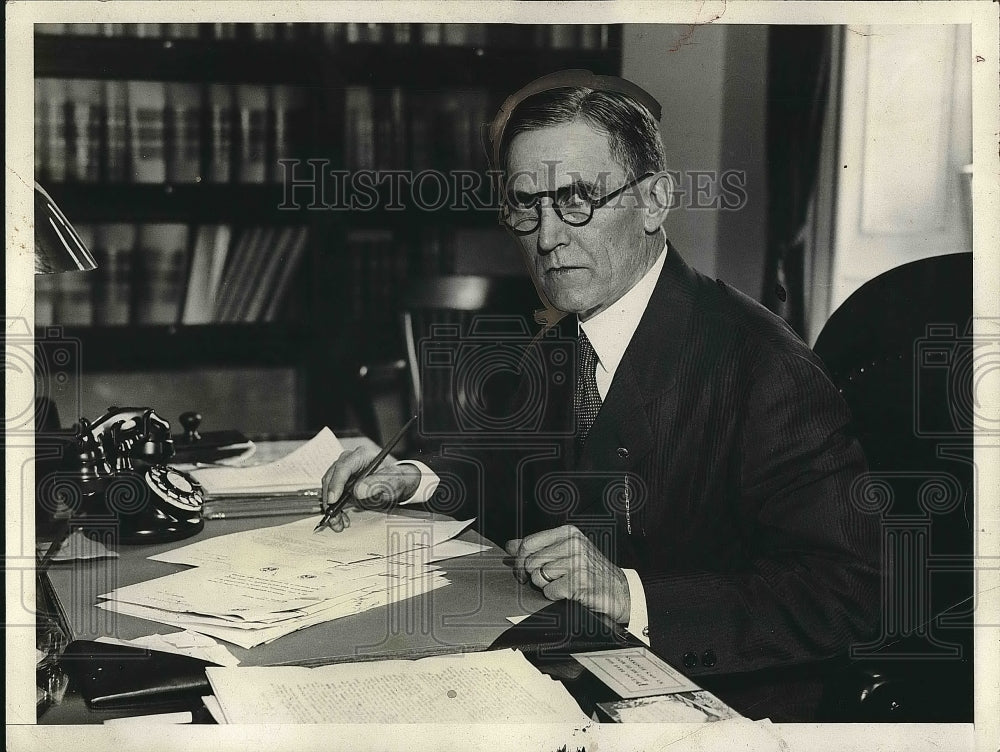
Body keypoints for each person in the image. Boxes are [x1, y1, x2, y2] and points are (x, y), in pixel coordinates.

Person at [322, 71, 880, 721]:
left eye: (578, 199)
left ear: (654, 201)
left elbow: (854, 591)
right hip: (579, 671)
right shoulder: (567, 337)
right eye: (527, 206)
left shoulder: (762, 370)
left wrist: (630, 594)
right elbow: (507, 470)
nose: (548, 237)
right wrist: (408, 477)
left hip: (721, 705)